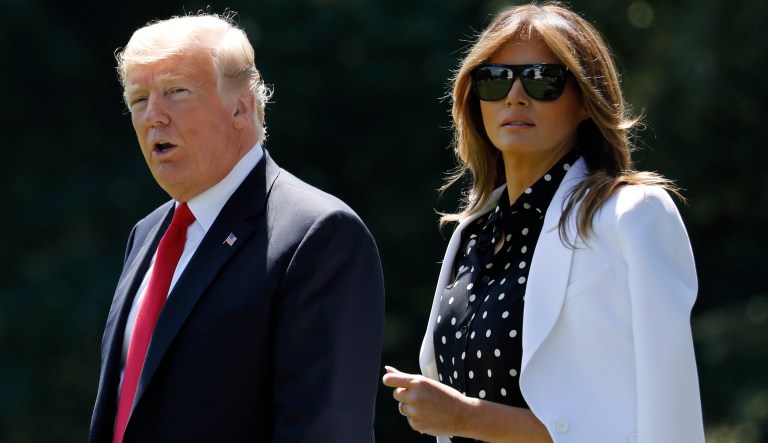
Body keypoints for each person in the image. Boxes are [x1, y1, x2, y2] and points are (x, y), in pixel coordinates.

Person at [382, 2, 704, 442]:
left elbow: (661, 418)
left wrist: (466, 417)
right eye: (494, 81)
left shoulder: (632, 215)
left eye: (542, 79)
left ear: (586, 102)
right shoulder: (471, 234)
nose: (515, 95)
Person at [89, 12, 385, 443]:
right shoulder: (146, 234)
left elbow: (325, 431)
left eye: (176, 91)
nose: (153, 116)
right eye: (138, 100)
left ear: (241, 107)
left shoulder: (319, 235)